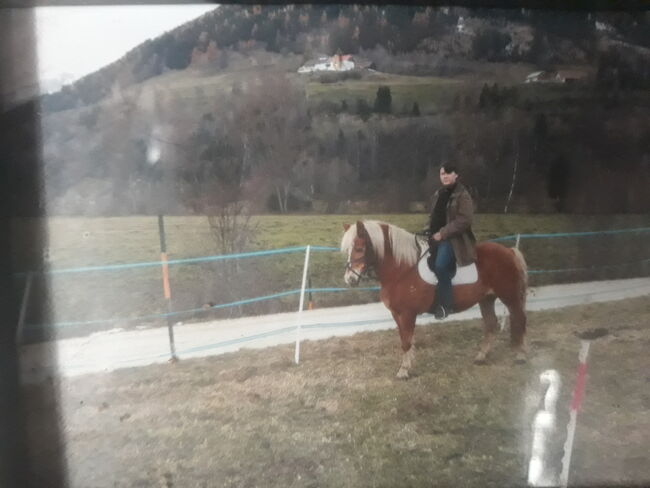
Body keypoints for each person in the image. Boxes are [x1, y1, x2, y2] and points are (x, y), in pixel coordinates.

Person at [426, 163, 477, 319]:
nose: (445, 176)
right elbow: (434, 217)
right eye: (442, 173)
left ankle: (445, 306)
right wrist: (427, 230)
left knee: (441, 266)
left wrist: (443, 233)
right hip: (434, 238)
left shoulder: (463, 195)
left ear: (456, 175)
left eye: (449, 173)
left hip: (454, 239)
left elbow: (465, 220)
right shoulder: (438, 194)